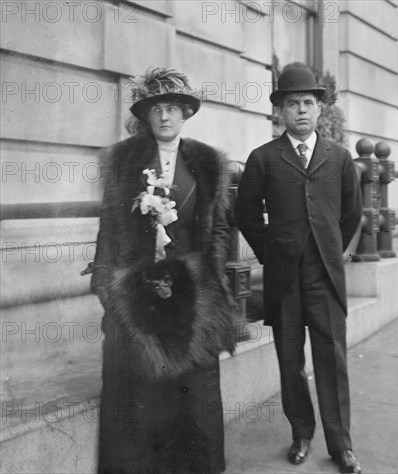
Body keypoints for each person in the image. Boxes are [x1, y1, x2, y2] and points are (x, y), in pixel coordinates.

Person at [90, 67, 236, 474]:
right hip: (138, 289)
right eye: (157, 109)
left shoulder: (207, 162)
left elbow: (219, 227)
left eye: (173, 108)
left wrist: (212, 274)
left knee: (197, 393)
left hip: (192, 292)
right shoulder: (124, 160)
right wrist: (105, 282)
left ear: (186, 113)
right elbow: (108, 224)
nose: (165, 117)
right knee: (139, 395)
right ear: (147, 115)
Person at [235, 65, 363, 473]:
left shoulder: (340, 158)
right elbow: (247, 213)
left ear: (319, 109)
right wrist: (270, 253)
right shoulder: (264, 158)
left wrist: (332, 251)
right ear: (281, 112)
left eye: (308, 103)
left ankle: (341, 443)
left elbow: (352, 214)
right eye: (293, 104)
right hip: (284, 275)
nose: (302, 111)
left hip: (325, 275)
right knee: (290, 358)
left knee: (332, 357)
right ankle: (301, 433)